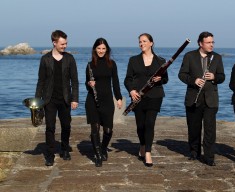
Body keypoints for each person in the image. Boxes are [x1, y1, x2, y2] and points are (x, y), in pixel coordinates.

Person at [178, 31, 225, 166]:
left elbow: (222, 77)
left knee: (210, 130)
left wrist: (215, 77)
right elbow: (182, 75)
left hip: (211, 99)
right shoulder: (189, 56)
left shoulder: (217, 57)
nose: (212, 45)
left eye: (212, 42)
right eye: (209, 42)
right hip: (193, 98)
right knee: (194, 128)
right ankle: (194, 152)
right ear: (200, 43)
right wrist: (194, 80)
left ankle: (209, 157)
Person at [35, 30, 79, 166]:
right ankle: (50, 154)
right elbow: (40, 81)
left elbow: (75, 81)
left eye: (66, 43)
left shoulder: (70, 59)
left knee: (66, 126)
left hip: (66, 99)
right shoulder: (45, 59)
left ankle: (65, 149)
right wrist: (37, 102)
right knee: (50, 127)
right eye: (62, 44)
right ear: (54, 43)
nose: (64, 46)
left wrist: (75, 99)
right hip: (49, 100)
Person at [124, 33, 168, 167]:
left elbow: (165, 79)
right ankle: (142, 144)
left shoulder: (160, 61)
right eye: (140, 42)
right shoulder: (133, 60)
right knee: (140, 125)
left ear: (151, 43)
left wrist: (160, 79)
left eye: (144, 41)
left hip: (155, 96)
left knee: (150, 123)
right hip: (138, 97)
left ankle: (148, 152)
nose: (141, 44)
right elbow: (128, 79)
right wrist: (131, 90)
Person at [85, 38, 123, 167]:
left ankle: (103, 148)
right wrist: (89, 83)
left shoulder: (112, 64)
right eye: (99, 48)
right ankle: (98, 155)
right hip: (92, 100)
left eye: (103, 48)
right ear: (95, 49)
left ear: (107, 50)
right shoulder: (90, 65)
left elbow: (115, 82)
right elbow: (86, 84)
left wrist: (118, 98)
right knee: (95, 129)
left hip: (107, 100)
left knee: (108, 130)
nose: (101, 51)